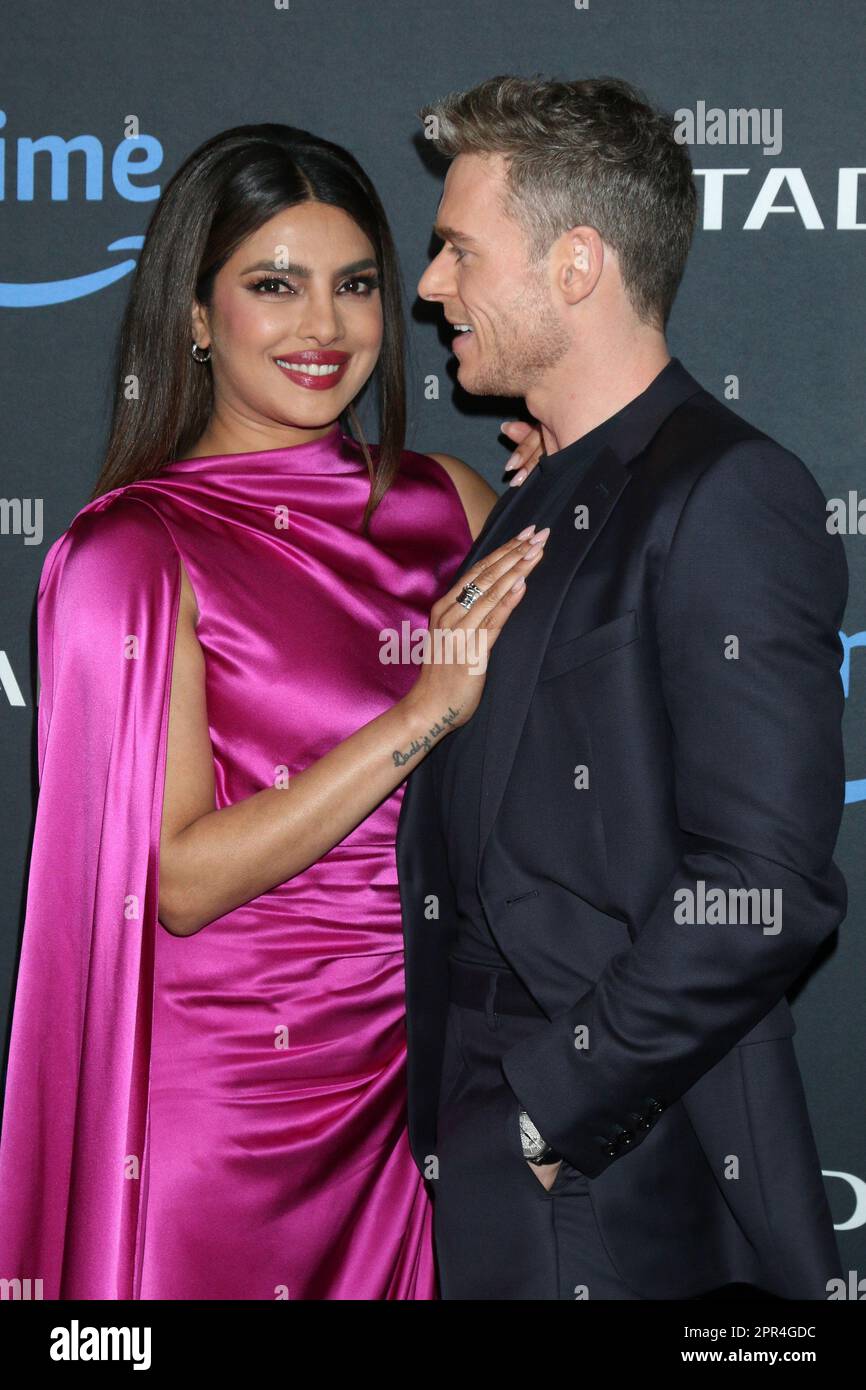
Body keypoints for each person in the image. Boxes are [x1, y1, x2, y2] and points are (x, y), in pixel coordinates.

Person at [0, 122, 547, 1300]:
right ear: (195, 317)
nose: (324, 328)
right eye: (273, 285)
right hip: (228, 1119)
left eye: (354, 286)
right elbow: (181, 880)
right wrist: (427, 706)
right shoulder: (131, 552)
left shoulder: (440, 502)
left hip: (416, 1094)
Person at [396, 75, 848, 1301]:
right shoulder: (536, 491)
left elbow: (761, 888)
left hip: (611, 1157)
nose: (428, 285)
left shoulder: (727, 494)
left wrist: (549, 1112)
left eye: (456, 248)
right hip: (492, 1128)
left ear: (576, 262)